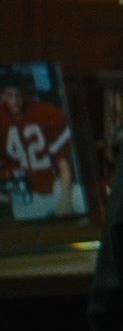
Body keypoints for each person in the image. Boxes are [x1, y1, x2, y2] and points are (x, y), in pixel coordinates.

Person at [0, 70, 81, 221]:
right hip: (24, 193)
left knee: (80, 199)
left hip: (55, 185)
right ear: (3, 96)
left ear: (24, 94)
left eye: (18, 95)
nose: (15, 100)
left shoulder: (44, 112)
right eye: (10, 95)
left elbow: (63, 164)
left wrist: (65, 199)